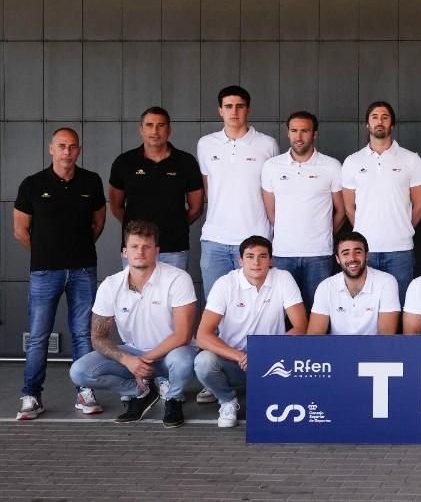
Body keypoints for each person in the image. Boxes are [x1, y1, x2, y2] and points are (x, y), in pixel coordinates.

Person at [14, 127, 106, 420]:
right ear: (51, 148)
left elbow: (98, 224)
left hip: (83, 269)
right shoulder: (32, 184)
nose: (67, 151)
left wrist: (73, 252)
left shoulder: (91, 182)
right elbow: (21, 231)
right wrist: (47, 253)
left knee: (83, 333)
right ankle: (31, 395)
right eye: (62, 146)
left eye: (73, 146)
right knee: (39, 335)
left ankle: (84, 391)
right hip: (45, 271)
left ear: (79, 150)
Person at [68, 221, 197, 428]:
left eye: (147, 247)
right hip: (132, 351)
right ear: (125, 252)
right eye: (135, 247)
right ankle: (140, 392)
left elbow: (182, 335)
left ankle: (173, 400)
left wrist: (142, 361)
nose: (141, 252)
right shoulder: (110, 285)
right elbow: (98, 338)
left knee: (182, 360)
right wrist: (127, 359)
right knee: (79, 372)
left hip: (172, 352)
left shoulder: (178, 279)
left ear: (157, 251)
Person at [194, 236, 307, 428]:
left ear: (271, 260)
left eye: (263, 256)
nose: (256, 262)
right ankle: (227, 400)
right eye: (250, 256)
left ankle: (269, 393)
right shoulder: (225, 284)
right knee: (203, 361)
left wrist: (264, 353)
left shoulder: (283, 278)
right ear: (240, 260)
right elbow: (203, 336)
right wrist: (240, 356)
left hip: (272, 362)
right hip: (233, 361)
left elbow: (301, 326)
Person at [341, 100, 421, 303]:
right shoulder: (352, 162)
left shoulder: (411, 160)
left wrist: (402, 227)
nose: (380, 121)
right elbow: (349, 207)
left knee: (402, 306)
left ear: (392, 124)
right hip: (365, 251)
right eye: (375, 117)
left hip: (400, 250)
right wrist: (366, 229)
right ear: (367, 124)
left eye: (385, 117)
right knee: (367, 307)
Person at [197, 85, 279, 296]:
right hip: (215, 240)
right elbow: (209, 188)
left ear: (248, 110)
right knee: (216, 308)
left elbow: (273, 192)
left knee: (256, 306)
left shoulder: (267, 144)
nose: (234, 112)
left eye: (240, 106)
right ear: (220, 110)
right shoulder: (206, 144)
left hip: (256, 239)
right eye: (228, 106)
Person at [261, 110, 345, 307]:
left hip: (319, 255)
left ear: (314, 134)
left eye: (305, 131)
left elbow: (341, 210)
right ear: (288, 133)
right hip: (283, 254)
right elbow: (271, 212)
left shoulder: (331, 166)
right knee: (286, 313)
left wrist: (323, 233)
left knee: (319, 312)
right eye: (294, 131)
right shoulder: (272, 166)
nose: (299, 137)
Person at [107, 106, 203, 271]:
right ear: (141, 129)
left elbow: (197, 207)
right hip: (136, 247)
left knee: (174, 296)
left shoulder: (186, 162)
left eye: (161, 125)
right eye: (149, 125)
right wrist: (135, 227)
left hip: (174, 248)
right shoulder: (124, 162)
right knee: (136, 295)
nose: (155, 131)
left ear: (169, 130)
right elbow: (115, 205)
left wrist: (177, 224)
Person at [307, 231, 401, 335]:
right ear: (338, 259)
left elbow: (386, 335)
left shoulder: (386, 282)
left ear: (366, 255)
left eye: (358, 252)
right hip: (336, 349)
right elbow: (314, 334)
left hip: (374, 349)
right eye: (345, 253)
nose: (352, 258)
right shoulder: (325, 287)